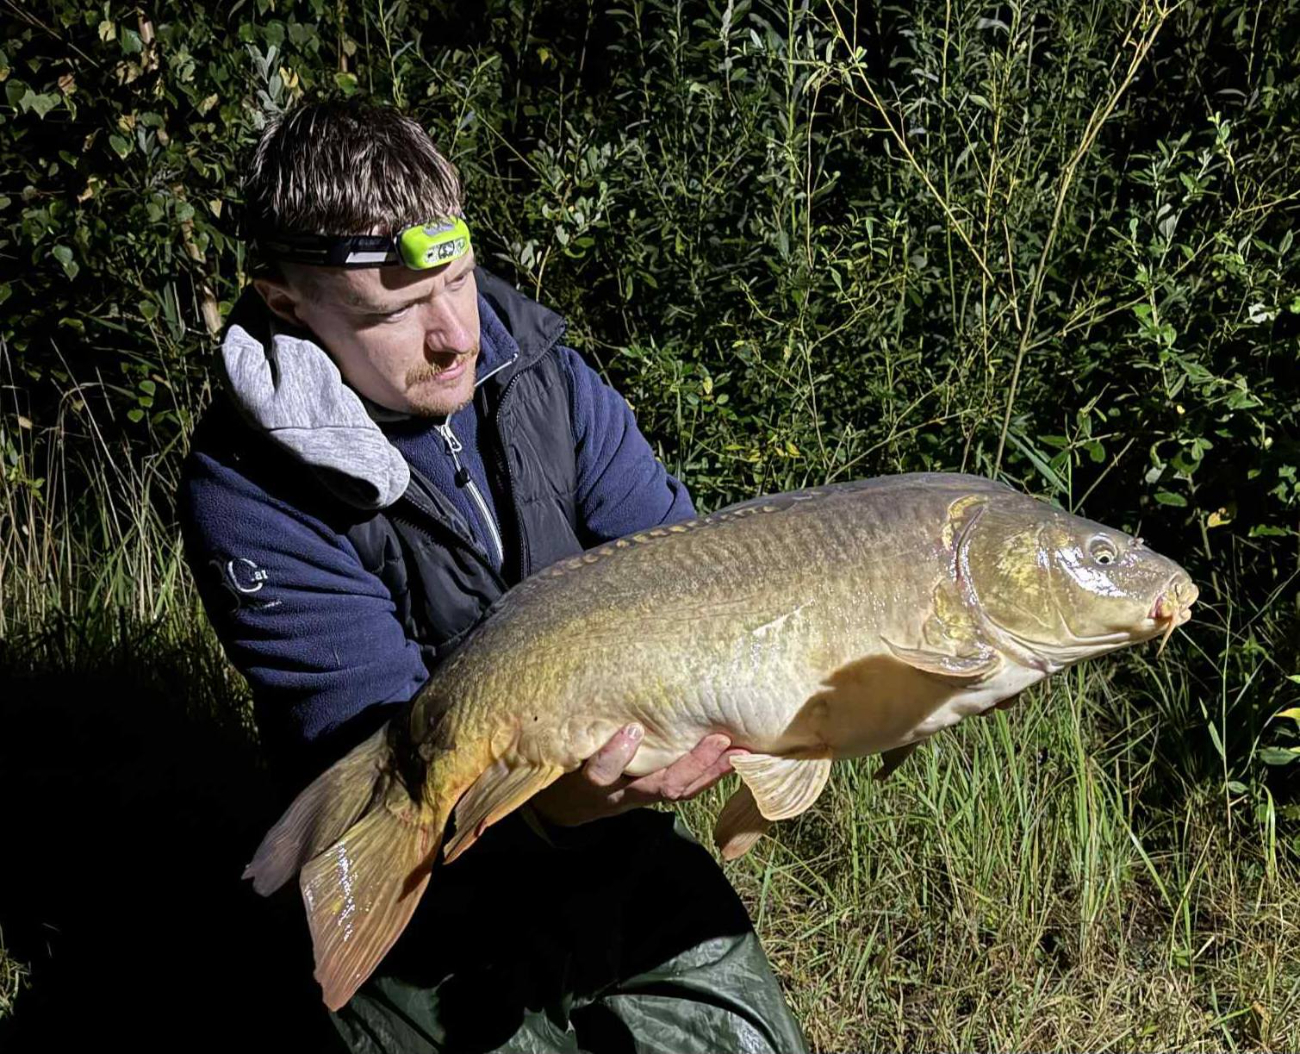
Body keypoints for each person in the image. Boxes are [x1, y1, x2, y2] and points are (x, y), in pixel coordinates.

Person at [178, 97, 806, 1054]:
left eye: (460, 278)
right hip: (425, 866)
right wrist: (556, 800)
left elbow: (693, 578)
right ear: (285, 302)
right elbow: (390, 743)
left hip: (615, 842)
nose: (455, 336)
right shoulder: (247, 489)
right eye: (394, 312)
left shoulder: (545, 375)